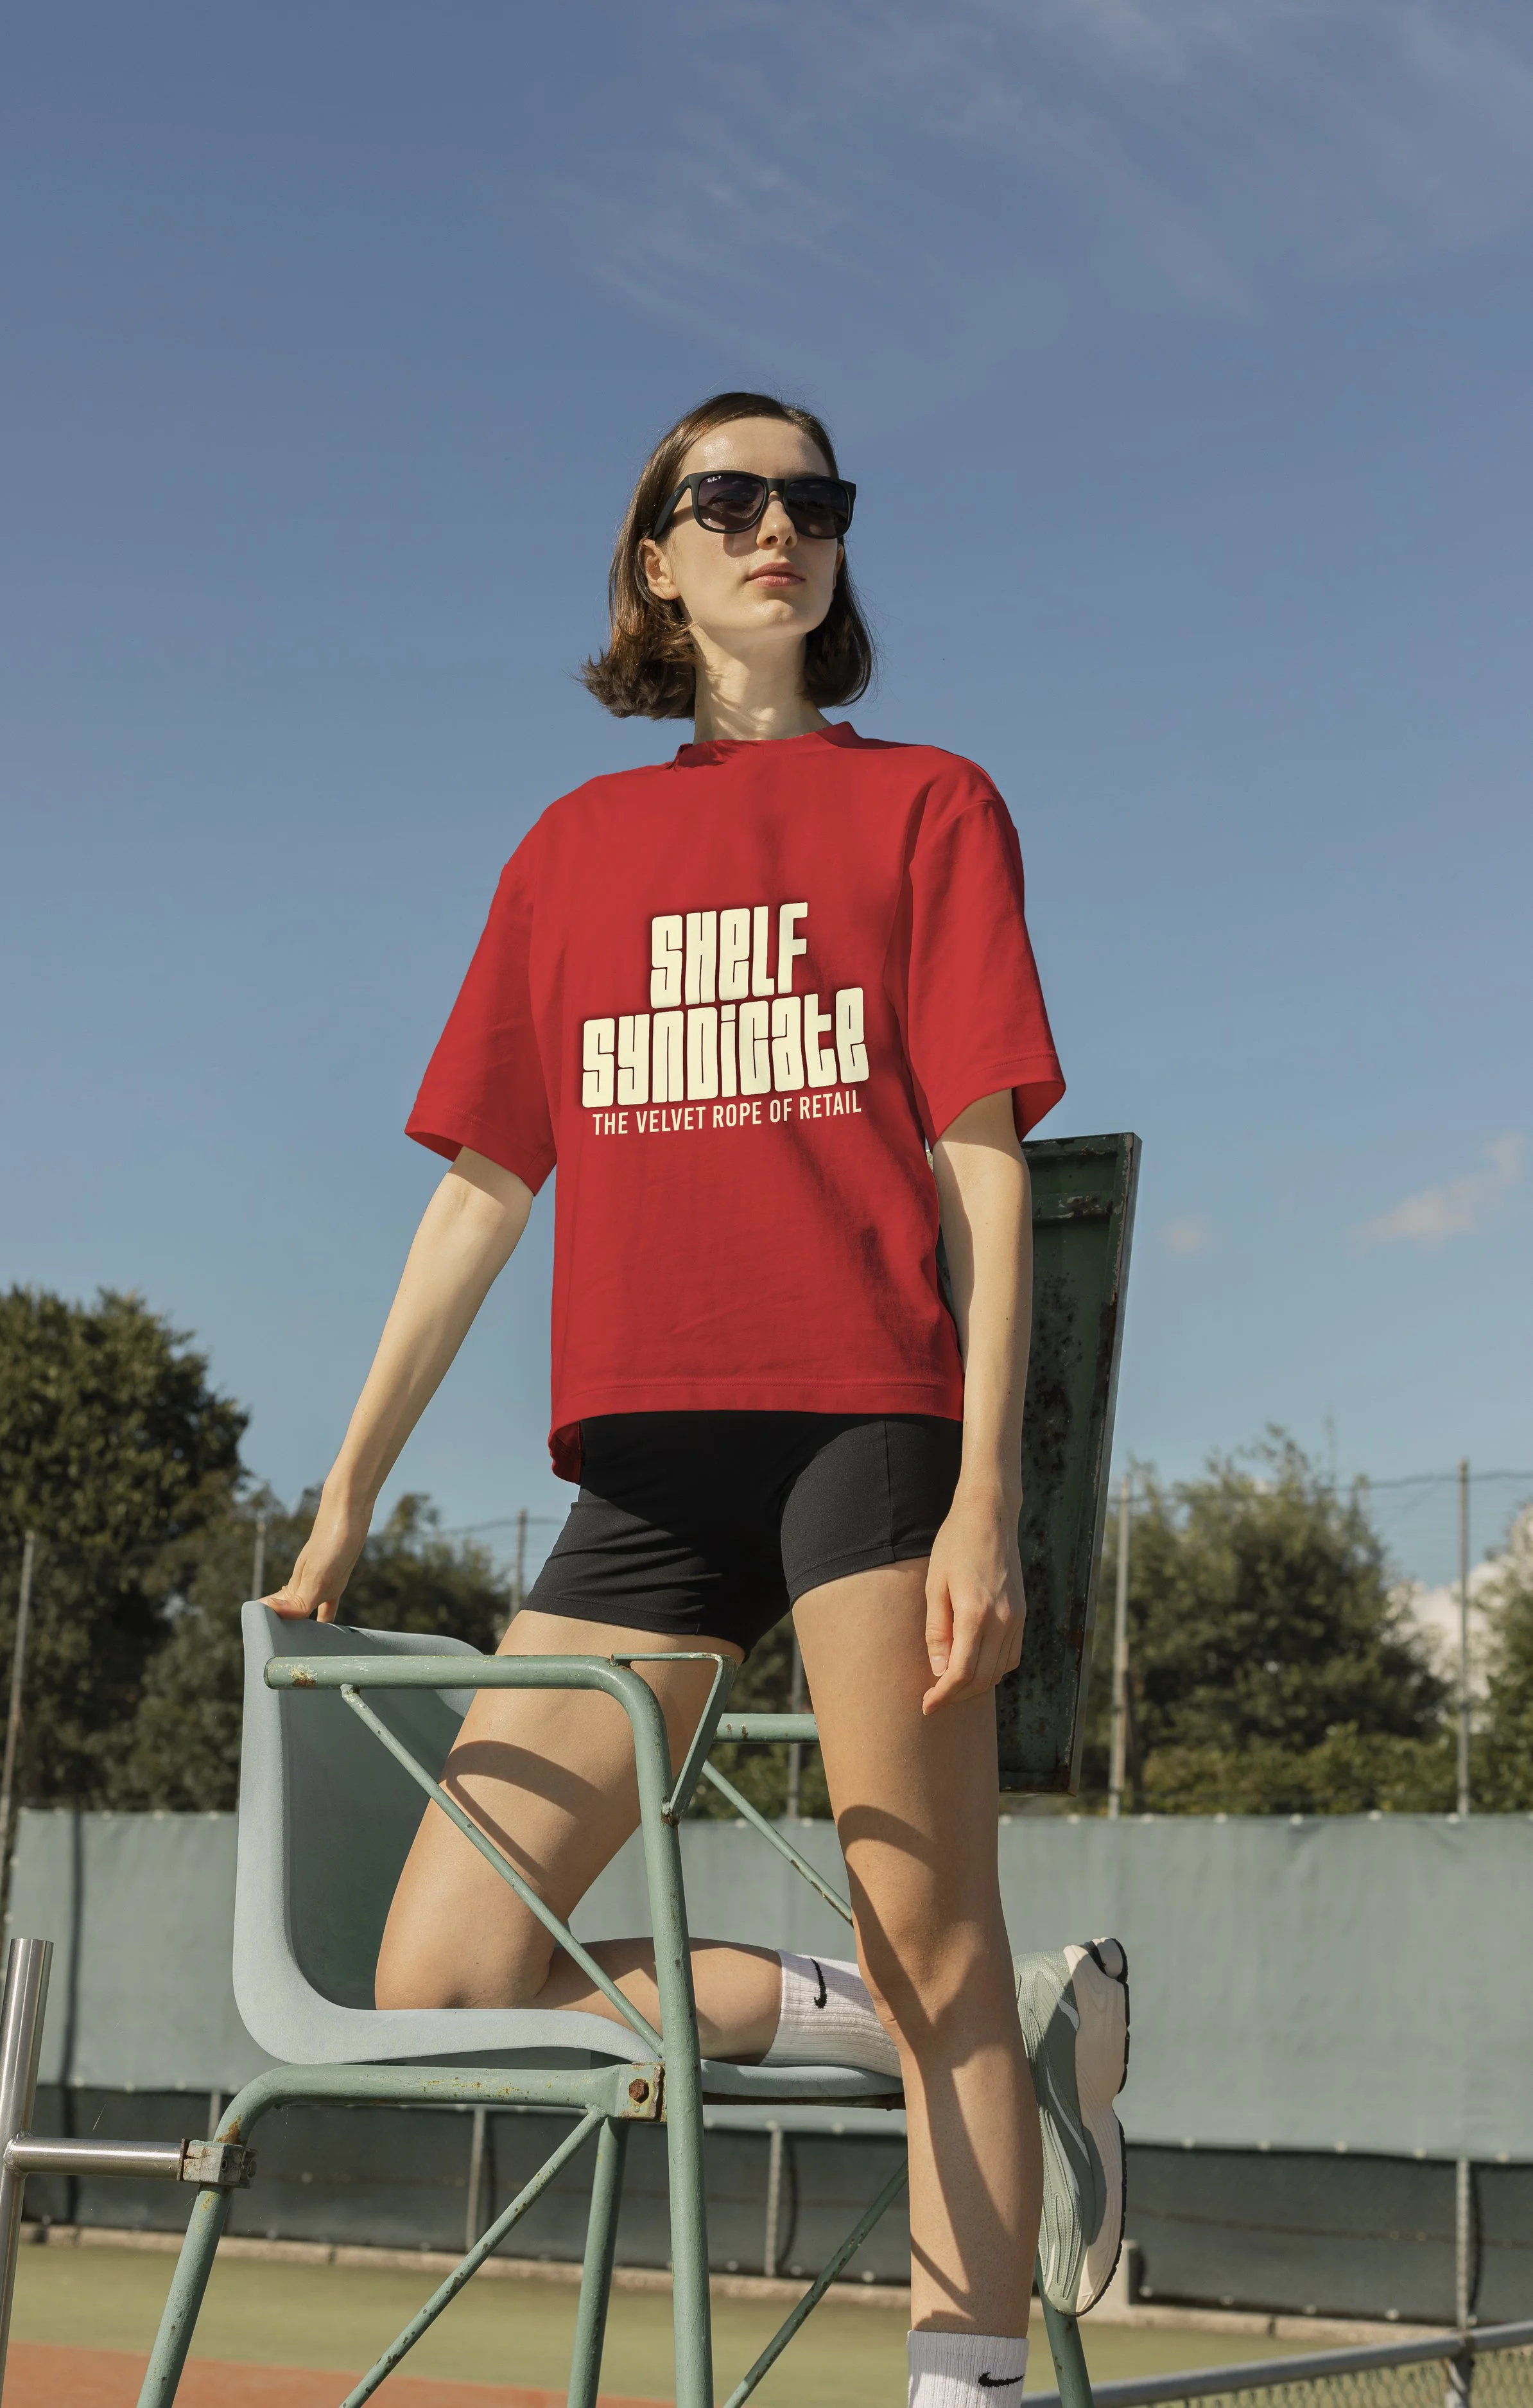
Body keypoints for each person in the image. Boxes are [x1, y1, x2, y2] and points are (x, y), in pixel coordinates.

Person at [268, 390, 1127, 2407]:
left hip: (869, 1435)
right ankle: (846, 2007)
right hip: (644, 1476)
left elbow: (984, 1164)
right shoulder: (573, 850)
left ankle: (963, 2379)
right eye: (723, 498)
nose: (776, 527)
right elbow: (482, 1192)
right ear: (652, 559)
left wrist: (986, 1488)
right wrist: (344, 1497)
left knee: (947, 1953)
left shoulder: (931, 805)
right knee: (443, 1975)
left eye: (811, 500)